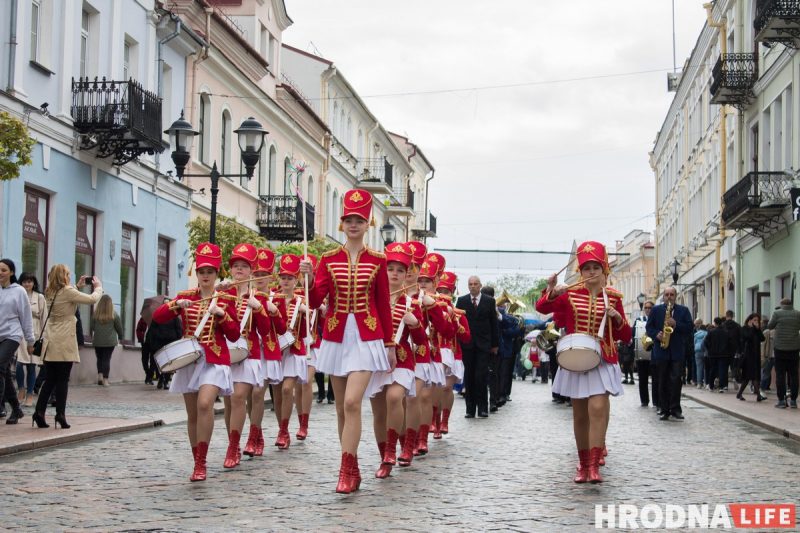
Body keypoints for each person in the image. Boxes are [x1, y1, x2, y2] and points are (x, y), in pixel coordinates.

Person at [299, 189, 395, 494]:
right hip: (337, 336)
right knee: (342, 408)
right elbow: (315, 301)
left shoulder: (379, 260)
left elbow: (383, 305)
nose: (353, 224)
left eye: (359, 219)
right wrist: (310, 280)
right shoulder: (328, 259)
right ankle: (351, 469)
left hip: (367, 337)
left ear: (368, 224)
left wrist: (390, 344)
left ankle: (345, 468)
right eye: (348, 219)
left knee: (354, 402)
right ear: (342, 224)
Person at [536, 241, 631, 484]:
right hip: (576, 359)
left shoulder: (613, 298)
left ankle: (595, 464)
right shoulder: (569, 294)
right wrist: (551, 290)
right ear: (580, 270)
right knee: (579, 415)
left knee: (597, 408)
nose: (590, 272)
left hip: (602, 359)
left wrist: (618, 319)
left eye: (595, 267)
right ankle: (584, 464)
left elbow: (625, 336)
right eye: (586, 267)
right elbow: (542, 308)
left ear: (604, 269)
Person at [151, 242, 240, 481]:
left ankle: (202, 460)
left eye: (210, 271)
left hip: (214, 358)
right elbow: (158, 317)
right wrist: (175, 305)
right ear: (196, 273)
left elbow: (234, 334)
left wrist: (221, 316)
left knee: (204, 404)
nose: (206, 276)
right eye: (202, 271)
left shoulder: (224, 299)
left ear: (217, 272)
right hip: (189, 359)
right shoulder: (186, 297)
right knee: (192, 414)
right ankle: (197, 462)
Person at [365, 242, 427, 478]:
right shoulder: (370, 299)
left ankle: (392, 449)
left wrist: (415, 323)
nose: (394, 273)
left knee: (394, 397)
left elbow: (421, 341)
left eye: (400, 270)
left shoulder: (412, 303)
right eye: (390, 268)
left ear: (406, 275)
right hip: (374, 359)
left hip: (402, 359)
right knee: (379, 412)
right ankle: (384, 458)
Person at [220, 243, 276, 468]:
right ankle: (233, 441)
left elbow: (264, 330)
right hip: (226, 352)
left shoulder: (259, 297)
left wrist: (259, 309)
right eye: (236, 266)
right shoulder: (223, 293)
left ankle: (235, 447)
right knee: (228, 402)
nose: (239, 270)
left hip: (249, 354)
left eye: (244, 266)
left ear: (252, 271)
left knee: (238, 397)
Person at [32, 264, 103, 429]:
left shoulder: (49, 292)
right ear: (64, 276)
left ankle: (39, 412)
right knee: (62, 379)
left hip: (51, 338)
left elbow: (66, 300)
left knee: (49, 379)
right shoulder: (67, 292)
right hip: (64, 340)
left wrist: (78, 286)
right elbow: (91, 299)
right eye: (68, 274)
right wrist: (98, 288)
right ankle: (60, 414)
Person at [242, 248, 287, 458]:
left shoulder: (276, 298)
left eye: (263, 275)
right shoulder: (243, 295)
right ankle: (257, 433)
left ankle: (252, 438)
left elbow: (282, 329)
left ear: (271, 277)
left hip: (268, 351)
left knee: (259, 392)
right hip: (249, 351)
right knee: (250, 395)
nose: (259, 278)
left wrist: (274, 311)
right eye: (256, 274)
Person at [646, 286, 693, 421]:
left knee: (676, 380)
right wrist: (657, 334)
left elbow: (689, 328)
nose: (669, 297)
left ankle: (676, 409)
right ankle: (664, 409)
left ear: (675, 296)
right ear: (663, 296)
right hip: (661, 351)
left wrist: (676, 324)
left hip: (677, 351)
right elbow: (649, 328)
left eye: (671, 294)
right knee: (662, 380)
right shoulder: (655, 310)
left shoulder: (683, 311)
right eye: (666, 294)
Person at [455, 276, 499, 418]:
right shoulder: (461, 301)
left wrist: (494, 344)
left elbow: (494, 324)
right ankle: (470, 409)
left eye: (475, 284)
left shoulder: (489, 301)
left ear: (480, 286)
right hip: (467, 344)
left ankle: (482, 408)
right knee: (469, 376)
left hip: (484, 345)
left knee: (481, 376)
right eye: (470, 284)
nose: (472, 286)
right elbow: (457, 323)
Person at [0, 259, 36, 425]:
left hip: (12, 335)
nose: (0, 273)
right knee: (5, 372)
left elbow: (26, 317)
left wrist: (30, 341)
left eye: (4, 270)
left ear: (12, 273)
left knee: (0, 366)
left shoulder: (19, 291)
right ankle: (16, 408)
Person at [15, 272, 45, 407]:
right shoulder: (17, 295)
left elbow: (44, 317)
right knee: (19, 364)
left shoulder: (39, 297)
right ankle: (21, 388)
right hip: (19, 333)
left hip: (35, 333)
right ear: (21, 283)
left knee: (32, 366)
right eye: (25, 281)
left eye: (30, 281)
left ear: (34, 283)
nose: (27, 284)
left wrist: (44, 336)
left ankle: (30, 394)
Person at [767, 298, 800, 409]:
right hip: (794, 349)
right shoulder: (797, 314)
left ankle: (781, 401)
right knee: (794, 375)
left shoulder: (777, 313)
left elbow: (770, 326)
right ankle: (794, 401)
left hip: (780, 349)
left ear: (781, 304)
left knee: (780, 375)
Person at [89, 294, 123, 387]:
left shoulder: (96, 314)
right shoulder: (114, 314)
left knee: (99, 358)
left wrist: (98, 331)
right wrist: (121, 336)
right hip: (109, 341)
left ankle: (100, 376)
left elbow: (91, 327)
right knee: (106, 359)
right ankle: (105, 380)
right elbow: (119, 328)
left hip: (98, 340)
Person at [736, 313, 766, 401]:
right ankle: (756, 395)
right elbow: (747, 337)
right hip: (747, 356)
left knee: (755, 376)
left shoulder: (757, 330)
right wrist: (753, 328)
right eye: (755, 320)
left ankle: (757, 396)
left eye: (758, 320)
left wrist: (758, 329)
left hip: (756, 355)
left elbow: (762, 339)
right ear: (750, 320)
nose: (757, 322)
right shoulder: (744, 328)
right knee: (747, 377)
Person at [633, 301, 655, 407]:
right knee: (643, 380)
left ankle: (657, 401)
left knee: (656, 379)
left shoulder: (658, 320)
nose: (647, 309)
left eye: (650, 308)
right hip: (642, 356)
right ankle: (644, 400)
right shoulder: (639, 320)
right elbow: (634, 335)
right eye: (646, 308)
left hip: (655, 355)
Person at [718, 310, 741, 392]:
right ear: (733, 316)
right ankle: (734, 378)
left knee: (723, 368)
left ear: (726, 315)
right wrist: (739, 350)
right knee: (733, 366)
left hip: (723, 350)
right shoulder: (737, 326)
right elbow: (740, 339)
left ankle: (725, 385)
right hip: (734, 350)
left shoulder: (722, 325)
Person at [760, 314, 774, 393]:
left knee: (765, 372)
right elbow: (763, 344)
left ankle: (763, 387)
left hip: (770, 355)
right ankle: (763, 387)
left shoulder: (765, 331)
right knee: (766, 372)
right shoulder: (767, 332)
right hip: (769, 355)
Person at [693, 320, 708, 389]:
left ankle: (699, 384)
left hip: (697, 351)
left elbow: (694, 343)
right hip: (705, 351)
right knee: (706, 368)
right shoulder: (707, 333)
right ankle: (705, 382)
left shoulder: (696, 334)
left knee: (699, 368)